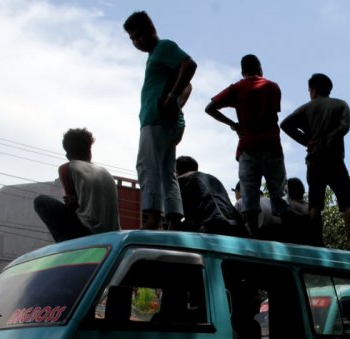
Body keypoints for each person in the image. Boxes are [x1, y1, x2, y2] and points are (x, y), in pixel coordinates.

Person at [124, 11, 197, 231]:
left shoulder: (164, 47)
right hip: (163, 120)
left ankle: (153, 216)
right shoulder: (155, 55)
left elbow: (189, 65)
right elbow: (187, 85)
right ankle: (174, 218)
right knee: (167, 172)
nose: (136, 42)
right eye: (132, 39)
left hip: (156, 120)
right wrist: (174, 100)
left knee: (147, 166)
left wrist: (172, 97)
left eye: (138, 36)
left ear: (150, 30)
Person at [206, 54, 290, 237]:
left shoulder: (236, 89)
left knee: (249, 194)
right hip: (272, 146)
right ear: (260, 68)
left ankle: (253, 235)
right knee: (279, 192)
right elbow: (272, 113)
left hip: (248, 146)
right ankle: (287, 233)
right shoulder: (272, 87)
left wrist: (234, 125)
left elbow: (209, 108)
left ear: (242, 71)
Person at [280, 73, 350, 251]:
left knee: (315, 204)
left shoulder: (306, 108)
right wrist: (328, 138)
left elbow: (285, 124)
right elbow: (344, 127)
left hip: (314, 160)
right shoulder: (341, 104)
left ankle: (318, 242)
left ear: (314, 89)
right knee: (347, 201)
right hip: (335, 158)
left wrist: (307, 141)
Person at [34, 128, 120, 242]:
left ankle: (65, 245)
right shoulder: (105, 172)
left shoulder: (67, 168)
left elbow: (71, 206)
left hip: (88, 232)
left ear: (68, 155)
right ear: (89, 150)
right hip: (113, 234)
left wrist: (70, 200)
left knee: (40, 201)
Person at [174, 156, 247, 237]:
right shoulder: (212, 179)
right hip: (238, 228)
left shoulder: (182, 181)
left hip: (212, 228)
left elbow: (175, 218)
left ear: (177, 170)